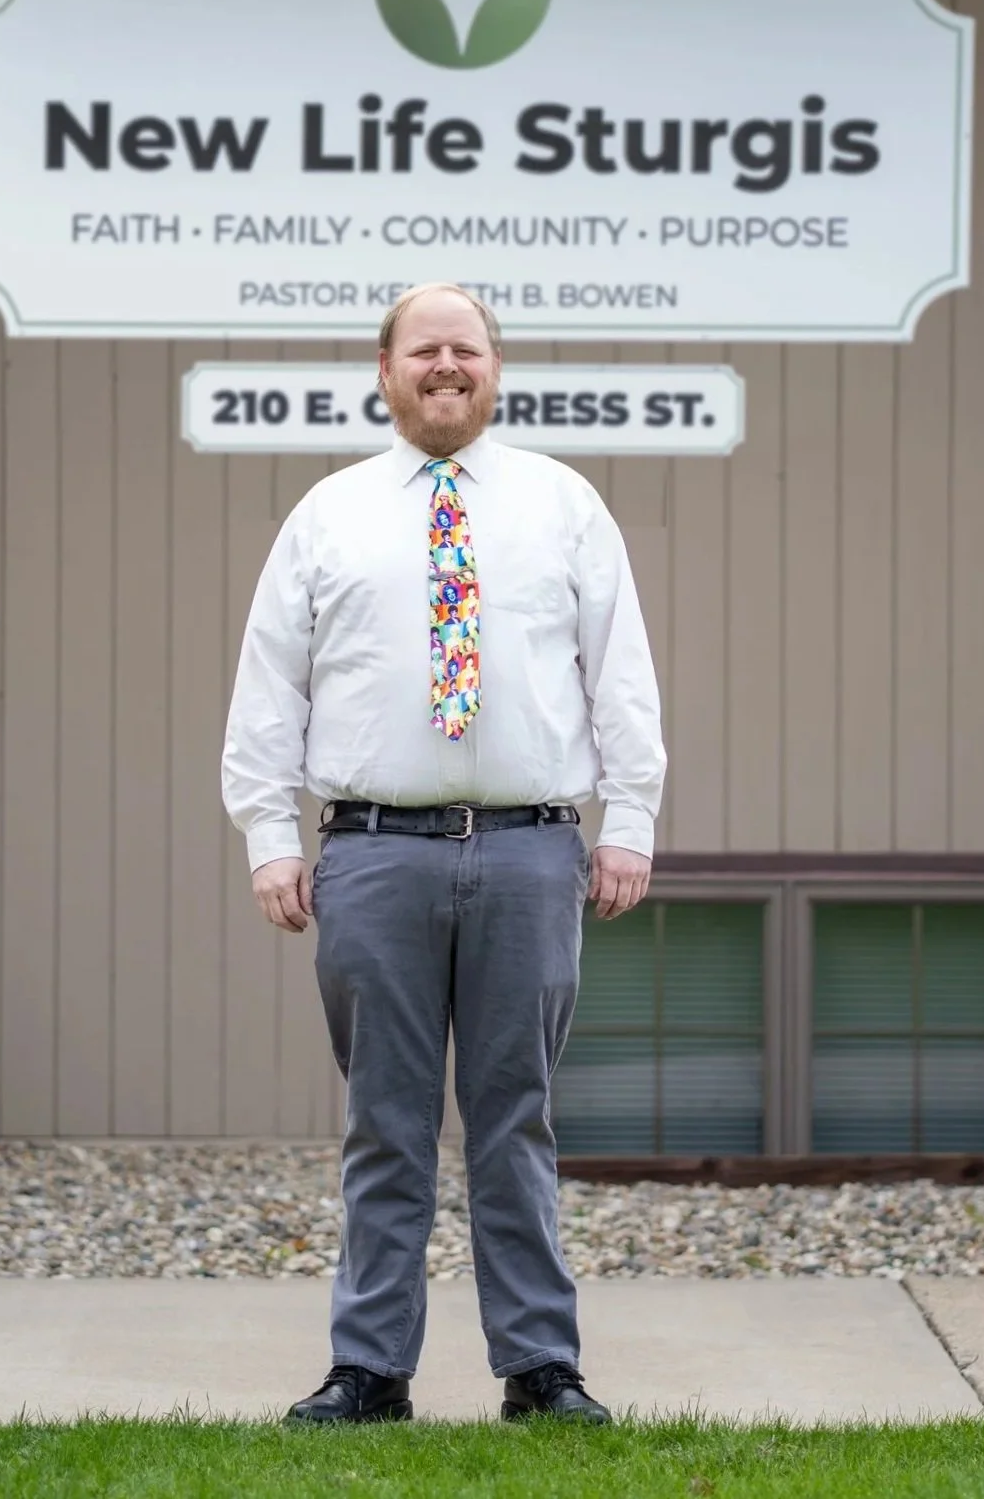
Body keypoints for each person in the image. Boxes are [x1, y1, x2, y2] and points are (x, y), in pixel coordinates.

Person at [222, 282, 666, 1426]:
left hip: (528, 853)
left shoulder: (562, 505)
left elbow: (618, 673)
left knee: (515, 1115)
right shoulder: (327, 514)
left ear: (494, 368)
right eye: (424, 350)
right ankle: (369, 1371)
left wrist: (629, 821)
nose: (445, 367)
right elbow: (269, 686)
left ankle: (539, 1370)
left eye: (464, 349)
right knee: (386, 1121)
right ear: (384, 370)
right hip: (373, 855)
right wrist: (272, 837)